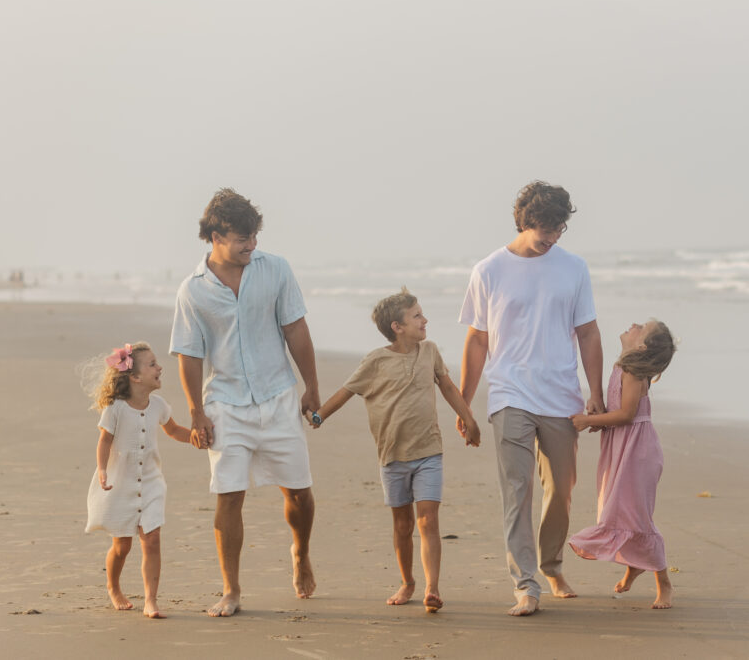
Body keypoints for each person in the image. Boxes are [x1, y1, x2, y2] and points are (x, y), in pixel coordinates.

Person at [170, 188, 321, 617]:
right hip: (226, 405)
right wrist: (196, 412)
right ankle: (231, 589)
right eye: (242, 238)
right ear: (215, 235)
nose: (251, 245)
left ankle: (301, 551)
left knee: (300, 494)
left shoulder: (275, 270)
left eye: (254, 235)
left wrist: (310, 386)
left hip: (277, 396)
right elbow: (189, 354)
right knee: (229, 496)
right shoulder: (193, 291)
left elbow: (296, 330)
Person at [458, 181, 604, 616]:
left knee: (561, 490)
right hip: (510, 393)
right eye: (546, 229)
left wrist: (595, 392)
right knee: (517, 489)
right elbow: (477, 341)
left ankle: (551, 563)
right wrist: (464, 405)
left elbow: (588, 333)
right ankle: (526, 584)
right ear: (525, 221)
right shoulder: (488, 270)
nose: (553, 237)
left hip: (561, 395)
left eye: (560, 229)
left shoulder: (574, 268)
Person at [309, 288, 481, 613]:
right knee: (402, 526)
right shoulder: (375, 361)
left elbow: (446, 386)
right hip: (392, 457)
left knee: (428, 520)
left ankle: (432, 588)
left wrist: (468, 418)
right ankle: (407, 582)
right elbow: (346, 392)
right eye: (416, 315)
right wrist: (320, 415)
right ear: (397, 327)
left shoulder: (429, 351)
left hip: (429, 451)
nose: (424, 319)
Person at [568, 319, 677, 609]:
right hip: (622, 447)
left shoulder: (631, 371)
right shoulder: (622, 367)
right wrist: (600, 416)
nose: (633, 324)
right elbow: (618, 412)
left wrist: (587, 421)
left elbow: (627, 415)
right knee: (617, 508)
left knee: (635, 515)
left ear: (641, 346)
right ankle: (635, 564)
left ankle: (664, 582)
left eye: (641, 327)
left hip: (637, 452)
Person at [84, 342, 192, 619]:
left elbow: (174, 430)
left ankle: (151, 600)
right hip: (122, 482)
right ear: (135, 377)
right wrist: (103, 470)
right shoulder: (116, 409)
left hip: (152, 482)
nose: (160, 368)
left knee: (152, 538)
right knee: (122, 546)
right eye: (153, 364)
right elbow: (104, 441)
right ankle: (113, 586)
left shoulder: (158, 405)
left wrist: (195, 438)